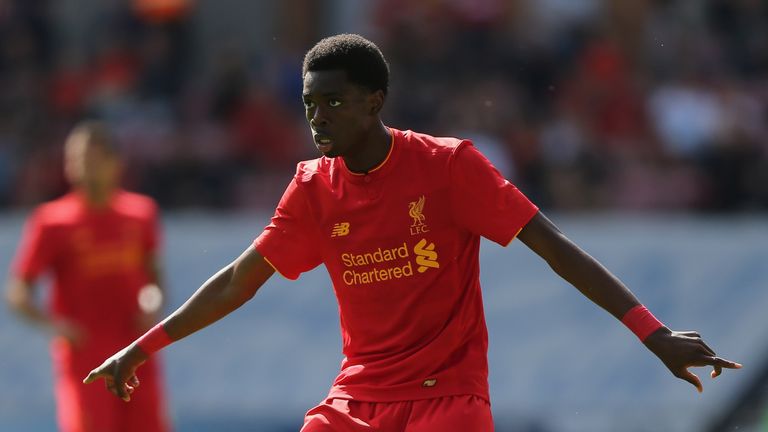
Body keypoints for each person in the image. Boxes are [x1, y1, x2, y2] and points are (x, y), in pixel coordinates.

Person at [84, 34, 741, 431]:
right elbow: (237, 281)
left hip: (447, 403)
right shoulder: (312, 187)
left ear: (374, 102)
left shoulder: (450, 166)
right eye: (309, 102)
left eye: (333, 101)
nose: (318, 116)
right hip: (356, 403)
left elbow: (554, 249)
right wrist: (142, 349)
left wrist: (652, 333)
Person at [7, 121, 171, 432]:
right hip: (86, 359)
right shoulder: (52, 222)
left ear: (115, 162)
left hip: (138, 350)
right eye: (77, 159)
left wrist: (152, 303)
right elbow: (19, 291)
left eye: (93, 158)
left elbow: (154, 279)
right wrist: (55, 326)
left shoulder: (141, 214)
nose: (85, 167)